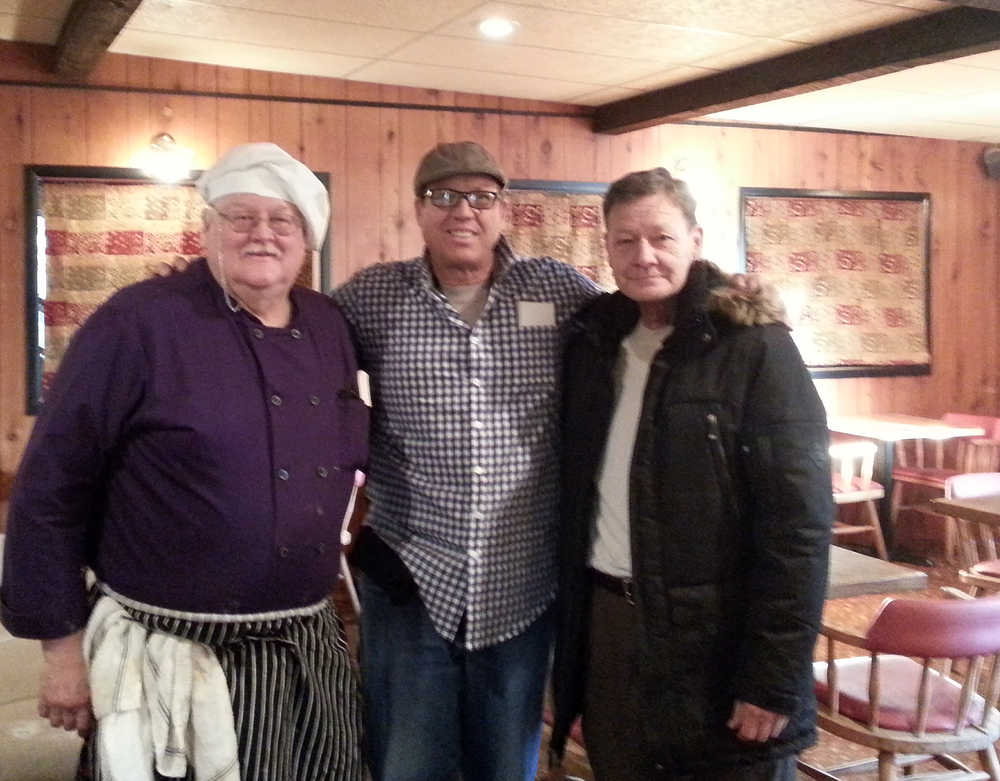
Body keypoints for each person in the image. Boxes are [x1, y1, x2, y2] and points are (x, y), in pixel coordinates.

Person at [1, 143, 368, 780]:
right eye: (239, 217)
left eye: (281, 221)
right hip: (167, 650)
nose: (261, 234)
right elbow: (52, 486)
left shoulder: (328, 323)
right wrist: (62, 651)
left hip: (303, 642)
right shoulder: (138, 321)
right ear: (206, 231)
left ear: (307, 238)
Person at [548, 167, 833, 781]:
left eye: (661, 237)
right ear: (607, 247)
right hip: (612, 624)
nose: (643, 255)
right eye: (624, 241)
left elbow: (798, 530)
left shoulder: (755, 349)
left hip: (719, 640)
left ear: (696, 239)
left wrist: (774, 678)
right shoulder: (593, 344)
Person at [331, 141, 602, 780]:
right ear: (419, 211)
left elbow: (640, 329)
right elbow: (296, 344)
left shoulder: (559, 292)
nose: (464, 212)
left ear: (502, 210)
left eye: (481, 198)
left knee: (505, 766)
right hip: (410, 582)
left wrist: (726, 305)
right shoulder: (371, 298)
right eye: (444, 197)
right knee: (408, 763)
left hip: (521, 585)